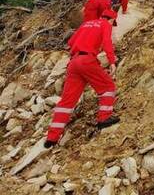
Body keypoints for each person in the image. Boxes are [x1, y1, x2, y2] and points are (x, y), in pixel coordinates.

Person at [44, 9, 120, 148]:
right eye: (113, 22)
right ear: (111, 20)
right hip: (87, 60)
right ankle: (104, 118)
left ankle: (52, 137)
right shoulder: (105, 25)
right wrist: (112, 61)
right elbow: (107, 42)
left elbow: (71, 42)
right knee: (108, 87)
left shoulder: (87, 24)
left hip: (74, 62)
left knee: (67, 101)